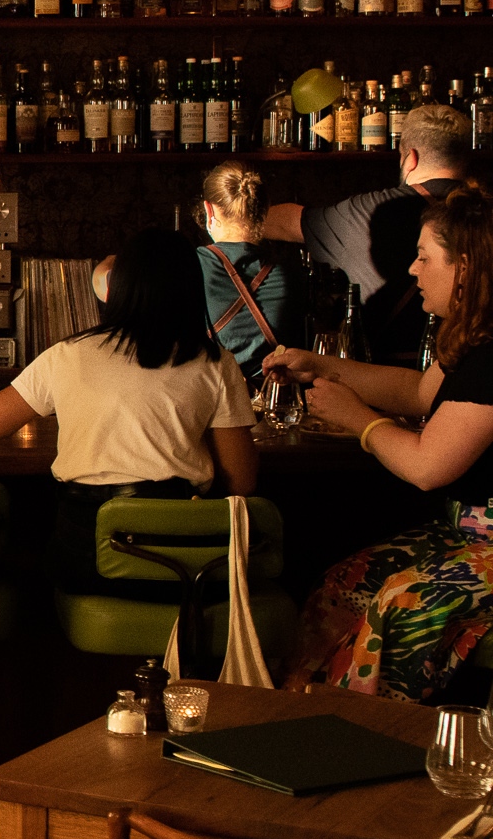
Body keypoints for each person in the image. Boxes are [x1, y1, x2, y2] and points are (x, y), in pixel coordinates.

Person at [273, 185, 493, 700]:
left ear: (464, 268)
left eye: (424, 257)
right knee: (342, 585)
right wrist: (321, 364)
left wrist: (358, 419)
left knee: (400, 602)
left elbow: (427, 466)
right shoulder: (475, 335)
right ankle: (300, 709)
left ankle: (373, 732)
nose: (413, 270)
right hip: (468, 534)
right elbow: (417, 393)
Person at [0, 227, 259, 593]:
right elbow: (242, 481)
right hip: (178, 565)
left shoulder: (69, 354)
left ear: (116, 287)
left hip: (85, 559)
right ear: (191, 289)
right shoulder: (216, 363)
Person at [263, 103, 470, 364]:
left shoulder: (368, 211)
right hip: (473, 369)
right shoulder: (483, 213)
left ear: (411, 158)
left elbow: (285, 223)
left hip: (382, 377)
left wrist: (228, 215)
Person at [195, 161, 301, 383]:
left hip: (213, 398)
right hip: (270, 399)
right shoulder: (290, 272)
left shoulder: (192, 264)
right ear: (264, 210)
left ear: (209, 210)